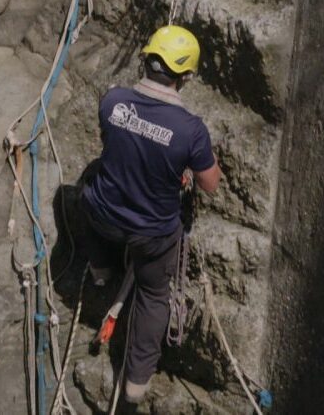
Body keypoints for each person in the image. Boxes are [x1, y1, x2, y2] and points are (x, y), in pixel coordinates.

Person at [81, 25, 221, 411]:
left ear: (146, 59)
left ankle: (99, 269)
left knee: (86, 191)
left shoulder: (113, 101)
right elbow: (210, 184)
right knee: (154, 295)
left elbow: (118, 148)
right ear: (186, 76)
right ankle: (136, 385)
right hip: (151, 235)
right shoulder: (190, 130)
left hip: (105, 214)